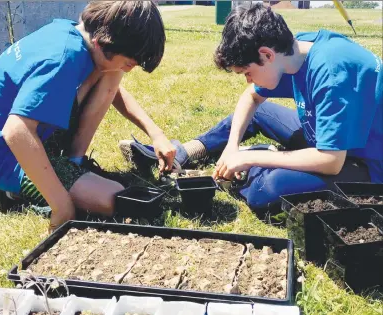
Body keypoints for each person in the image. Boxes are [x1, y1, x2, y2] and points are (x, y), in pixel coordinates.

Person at [119, 3, 383, 215]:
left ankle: (258, 162)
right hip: (326, 138)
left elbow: (331, 161)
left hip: (366, 162)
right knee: (259, 113)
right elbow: (251, 99)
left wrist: (250, 159)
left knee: (265, 191)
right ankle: (186, 152)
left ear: (267, 54)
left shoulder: (332, 72)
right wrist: (233, 146)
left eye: (247, 72)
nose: (248, 81)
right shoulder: (295, 53)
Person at [0, 1, 176, 230]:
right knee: (110, 198)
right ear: (104, 43)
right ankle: (8, 190)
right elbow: (16, 130)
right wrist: (61, 205)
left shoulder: (76, 35)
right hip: (7, 155)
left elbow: (114, 91)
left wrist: (156, 134)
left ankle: (73, 163)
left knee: (112, 73)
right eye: (129, 62)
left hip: (24, 137)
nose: (130, 68)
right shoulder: (63, 59)